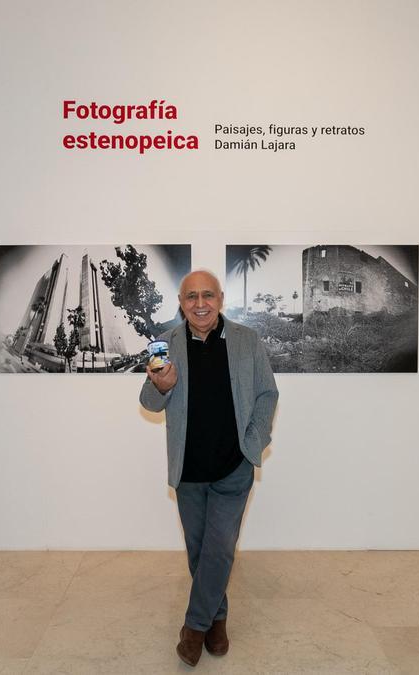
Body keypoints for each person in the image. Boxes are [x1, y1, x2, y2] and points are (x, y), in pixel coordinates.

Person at [139, 269, 279, 667]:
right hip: (188, 469)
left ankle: (195, 627)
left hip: (233, 466)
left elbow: (268, 393)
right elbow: (149, 402)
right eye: (191, 297)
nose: (200, 304)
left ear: (220, 299)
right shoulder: (165, 344)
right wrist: (161, 385)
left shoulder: (246, 341)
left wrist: (253, 442)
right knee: (200, 552)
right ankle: (218, 619)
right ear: (181, 303)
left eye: (207, 296)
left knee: (219, 549)